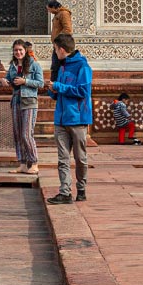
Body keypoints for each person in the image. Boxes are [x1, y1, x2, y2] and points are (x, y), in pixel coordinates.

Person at [46, 33, 93, 204]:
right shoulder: (62, 67)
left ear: (62, 49)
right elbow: (60, 93)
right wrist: (53, 91)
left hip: (78, 119)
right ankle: (65, 192)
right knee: (62, 158)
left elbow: (83, 92)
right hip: (61, 119)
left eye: (55, 49)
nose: (55, 53)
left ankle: (81, 188)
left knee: (80, 158)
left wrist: (60, 86)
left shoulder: (83, 67)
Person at [0, 40, 43, 173]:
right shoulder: (12, 66)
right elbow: (8, 79)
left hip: (29, 101)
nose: (18, 52)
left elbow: (40, 83)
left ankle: (34, 162)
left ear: (25, 51)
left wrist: (25, 81)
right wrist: (3, 81)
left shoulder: (34, 65)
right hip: (16, 100)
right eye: (16, 50)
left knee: (26, 134)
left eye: (20, 50)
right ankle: (23, 163)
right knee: (18, 134)